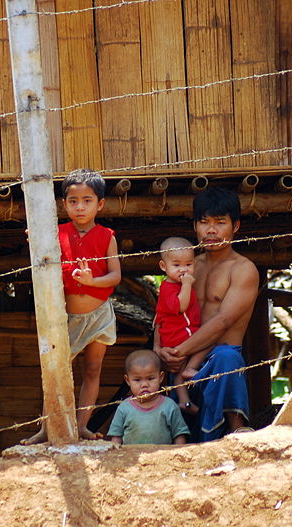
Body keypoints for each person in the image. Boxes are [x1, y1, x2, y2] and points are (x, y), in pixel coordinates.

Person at [22, 169, 122, 444]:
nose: (80, 207)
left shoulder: (107, 236)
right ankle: (47, 428)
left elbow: (115, 276)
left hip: (100, 315)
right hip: (66, 318)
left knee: (92, 370)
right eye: (73, 201)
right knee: (55, 372)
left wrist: (92, 281)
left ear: (100, 204)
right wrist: (37, 243)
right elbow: (43, 261)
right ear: (64, 204)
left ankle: (82, 426)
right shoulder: (56, 233)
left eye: (87, 200)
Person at [159, 187, 259, 441]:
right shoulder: (186, 266)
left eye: (220, 222)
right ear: (195, 226)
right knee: (145, 364)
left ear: (236, 226)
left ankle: (237, 429)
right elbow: (163, 312)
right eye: (204, 222)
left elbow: (224, 321)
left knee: (227, 357)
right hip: (180, 357)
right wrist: (161, 350)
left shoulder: (243, 269)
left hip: (215, 357)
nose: (211, 230)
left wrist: (180, 352)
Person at [153, 237, 209, 415]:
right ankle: (192, 367)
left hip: (178, 334)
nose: (183, 270)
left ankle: (184, 402)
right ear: (163, 266)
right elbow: (181, 306)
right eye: (176, 265)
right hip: (179, 334)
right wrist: (186, 285)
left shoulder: (174, 284)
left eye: (188, 264)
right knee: (208, 341)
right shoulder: (168, 288)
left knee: (179, 372)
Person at [108, 350, 189, 445]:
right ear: (128, 380)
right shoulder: (124, 408)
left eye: (150, 378)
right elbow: (116, 439)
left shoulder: (169, 406)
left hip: (162, 454)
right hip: (133, 454)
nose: (144, 385)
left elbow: (179, 436)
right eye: (137, 380)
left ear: (161, 377)